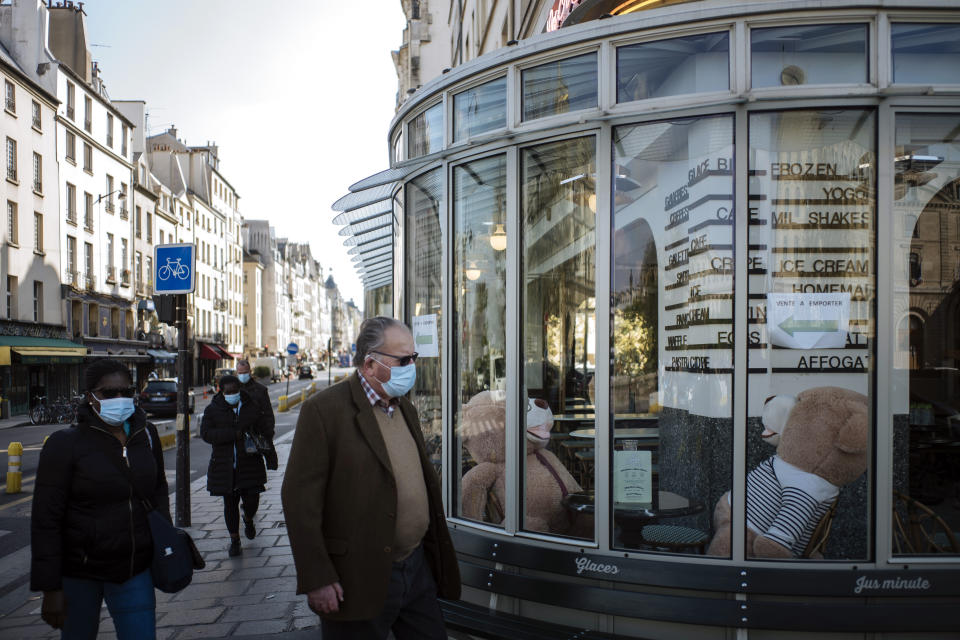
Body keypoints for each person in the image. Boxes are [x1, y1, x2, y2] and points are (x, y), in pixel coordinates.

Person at [283, 316, 460, 640]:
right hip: (356, 576)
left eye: (414, 358)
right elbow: (299, 501)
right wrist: (317, 577)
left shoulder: (404, 408)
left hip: (415, 568)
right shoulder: (324, 411)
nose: (412, 366)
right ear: (369, 364)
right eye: (404, 360)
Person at [31, 359, 169, 639]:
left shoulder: (147, 435)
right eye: (109, 393)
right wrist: (50, 587)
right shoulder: (64, 444)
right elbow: (46, 519)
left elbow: (158, 493)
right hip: (80, 572)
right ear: (90, 397)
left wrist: (163, 548)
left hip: (134, 569)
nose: (120, 398)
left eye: (126, 391)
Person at [200, 374, 272, 556]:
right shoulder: (212, 410)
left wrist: (269, 451)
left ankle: (248, 519)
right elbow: (207, 434)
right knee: (229, 504)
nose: (232, 394)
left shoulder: (251, 406)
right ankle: (234, 540)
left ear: (240, 390)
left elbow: (264, 429)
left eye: (235, 391)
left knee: (252, 501)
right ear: (221, 392)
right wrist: (233, 434)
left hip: (250, 463)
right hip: (225, 466)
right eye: (228, 392)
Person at [236, 358, 277, 470]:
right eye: (240, 373)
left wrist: (268, 434)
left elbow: (268, 414)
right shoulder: (233, 390)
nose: (243, 375)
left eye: (245, 373)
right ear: (236, 373)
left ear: (250, 372)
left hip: (256, 436)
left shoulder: (260, 390)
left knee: (254, 467)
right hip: (237, 438)